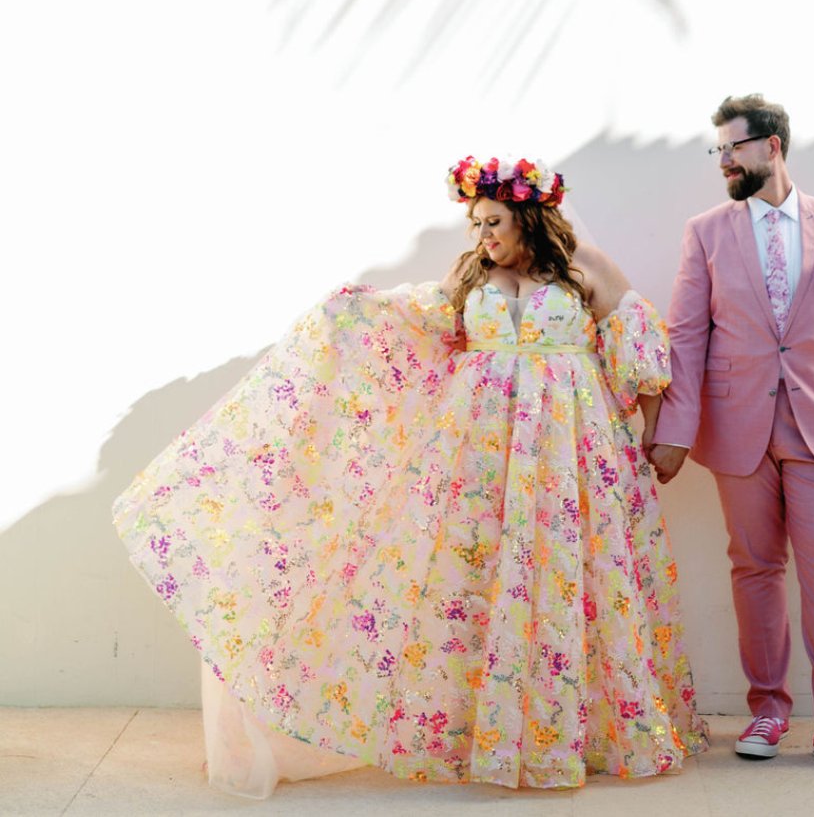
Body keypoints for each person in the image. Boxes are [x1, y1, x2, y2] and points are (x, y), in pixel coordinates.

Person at [114, 154, 707, 797]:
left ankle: (573, 731)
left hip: (569, 449)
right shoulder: (471, 274)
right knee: (477, 580)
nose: (483, 237)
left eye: (494, 223)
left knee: (569, 574)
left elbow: (638, 342)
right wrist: (350, 311)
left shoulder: (585, 268)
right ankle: (488, 731)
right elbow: (414, 320)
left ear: (529, 218)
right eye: (477, 224)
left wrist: (657, 437)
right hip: (481, 454)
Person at [647, 96, 814, 776]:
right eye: (717, 151)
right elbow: (686, 335)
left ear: (770, 147)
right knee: (755, 567)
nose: (722, 163)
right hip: (737, 428)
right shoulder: (706, 232)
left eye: (730, 149)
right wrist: (675, 432)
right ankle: (767, 708)